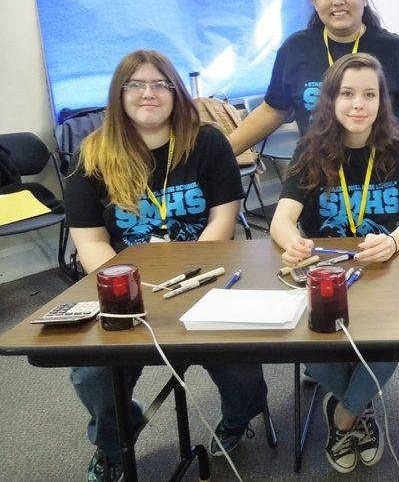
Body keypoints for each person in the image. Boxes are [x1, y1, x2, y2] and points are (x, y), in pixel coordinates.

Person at [65, 50, 268, 482]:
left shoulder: (208, 142)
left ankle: (237, 418)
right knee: (91, 374)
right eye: (135, 85)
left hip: (206, 276)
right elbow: (91, 241)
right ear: (119, 95)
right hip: (127, 292)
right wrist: (133, 288)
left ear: (176, 93)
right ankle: (116, 437)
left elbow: (222, 222)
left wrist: (186, 280)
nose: (148, 94)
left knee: (241, 361)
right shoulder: (94, 154)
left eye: (160, 84)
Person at [269, 52, 399, 474]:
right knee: (305, 343)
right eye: (347, 93)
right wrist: (293, 244)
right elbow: (282, 218)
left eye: (369, 94)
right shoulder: (312, 148)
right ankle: (357, 407)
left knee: (390, 343)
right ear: (330, 99)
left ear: (383, 100)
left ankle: (343, 416)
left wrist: (393, 243)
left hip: (383, 273)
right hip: (324, 276)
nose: (358, 104)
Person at [227, 0, 399, 157]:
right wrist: (221, 152)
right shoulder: (295, 49)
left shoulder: (396, 50)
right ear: (315, 2)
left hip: (381, 179)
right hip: (319, 172)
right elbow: (273, 110)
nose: (338, 1)